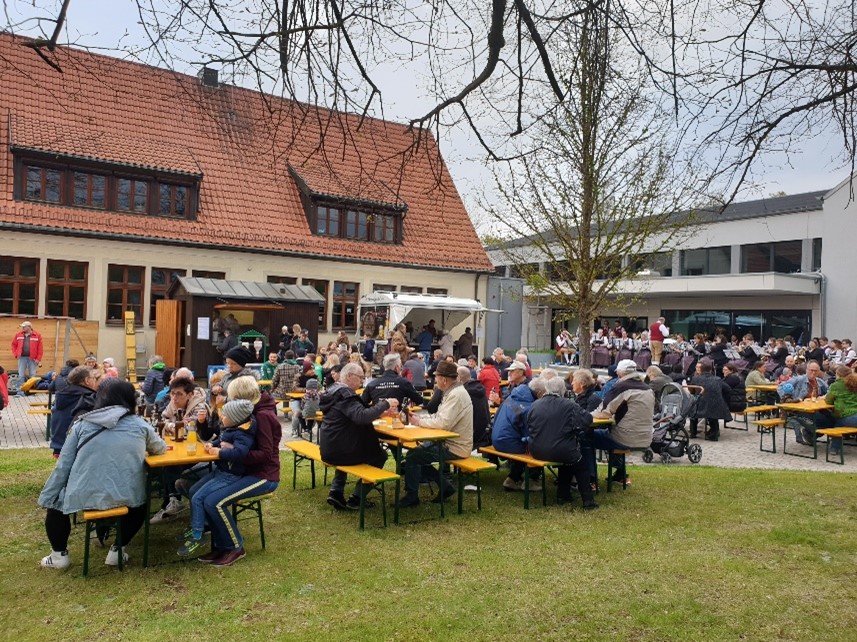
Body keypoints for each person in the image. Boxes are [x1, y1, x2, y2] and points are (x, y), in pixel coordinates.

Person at [37, 379, 167, 570]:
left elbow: (63, 465)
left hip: (82, 493)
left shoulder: (82, 425)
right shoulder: (140, 425)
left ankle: (59, 556)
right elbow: (160, 448)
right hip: (127, 495)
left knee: (56, 506)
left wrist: (48, 496)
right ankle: (117, 551)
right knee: (141, 505)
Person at [193, 376, 280, 566]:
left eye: (231, 397)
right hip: (244, 471)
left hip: (263, 475)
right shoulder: (249, 413)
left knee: (215, 502)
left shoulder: (263, 416)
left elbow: (265, 455)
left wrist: (228, 453)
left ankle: (234, 547)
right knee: (199, 493)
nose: (228, 400)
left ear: (241, 398)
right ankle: (220, 546)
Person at [178, 399, 257, 556]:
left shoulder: (243, 434)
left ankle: (197, 535)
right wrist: (211, 444)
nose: (222, 417)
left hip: (230, 475)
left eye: (225, 415)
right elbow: (221, 440)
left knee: (198, 497)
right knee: (194, 490)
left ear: (235, 418)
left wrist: (220, 453)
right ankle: (199, 525)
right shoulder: (231, 429)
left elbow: (240, 453)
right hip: (221, 471)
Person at [320, 362, 397, 510]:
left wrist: (379, 412)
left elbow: (356, 411)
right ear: (349, 376)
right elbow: (361, 416)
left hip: (329, 448)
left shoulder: (334, 390)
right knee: (379, 455)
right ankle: (357, 498)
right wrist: (385, 404)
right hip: (340, 452)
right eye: (361, 378)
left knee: (348, 447)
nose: (362, 381)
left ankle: (336, 491)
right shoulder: (346, 394)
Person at [401, 361, 473, 507]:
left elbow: (442, 423)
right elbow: (439, 418)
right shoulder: (453, 392)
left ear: (444, 380)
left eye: (436, 377)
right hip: (448, 442)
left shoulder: (456, 395)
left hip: (456, 446)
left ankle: (412, 497)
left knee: (413, 457)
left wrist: (418, 422)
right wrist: (419, 419)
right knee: (416, 454)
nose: (434, 381)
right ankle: (445, 486)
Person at [528, 377, 599, 509]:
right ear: (563, 390)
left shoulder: (535, 404)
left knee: (568, 460)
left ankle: (563, 495)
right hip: (561, 450)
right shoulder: (569, 405)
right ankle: (588, 501)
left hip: (536, 450)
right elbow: (587, 419)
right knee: (580, 465)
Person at [149, 377, 210, 524]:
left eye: (179, 394)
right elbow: (158, 420)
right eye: (172, 394)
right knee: (162, 462)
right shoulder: (173, 404)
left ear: (189, 395)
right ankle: (172, 500)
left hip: (201, 451)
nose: (174, 398)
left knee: (169, 465)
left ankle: (173, 501)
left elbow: (188, 428)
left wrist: (171, 425)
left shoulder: (200, 406)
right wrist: (174, 425)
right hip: (182, 447)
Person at [590, 360, 655, 485]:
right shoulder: (648, 389)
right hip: (646, 438)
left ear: (619, 374)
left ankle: (590, 479)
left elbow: (603, 412)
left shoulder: (621, 387)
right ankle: (621, 475)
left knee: (586, 437)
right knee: (614, 432)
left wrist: (586, 415)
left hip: (625, 438)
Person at [491, 371, 539, 492]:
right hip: (508, 443)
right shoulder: (528, 406)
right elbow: (529, 432)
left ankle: (513, 478)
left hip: (497, 440)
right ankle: (531, 480)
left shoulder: (509, 398)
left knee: (524, 444)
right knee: (537, 446)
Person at [49, 365, 100, 457]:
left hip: (58, 445)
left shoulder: (63, 394)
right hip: (76, 446)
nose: (96, 381)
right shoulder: (88, 397)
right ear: (87, 380)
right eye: (94, 378)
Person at [778, 360, 831, 445]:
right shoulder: (799, 379)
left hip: (816, 408)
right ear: (807, 370)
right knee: (821, 420)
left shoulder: (819, 381)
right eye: (811, 370)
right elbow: (780, 387)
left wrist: (823, 397)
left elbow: (830, 391)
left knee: (832, 418)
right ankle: (809, 433)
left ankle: (810, 434)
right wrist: (788, 400)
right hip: (801, 410)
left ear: (819, 371)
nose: (813, 372)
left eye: (816, 371)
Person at [688, 361, 732, 441]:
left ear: (701, 370)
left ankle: (693, 432)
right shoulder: (718, 379)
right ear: (711, 370)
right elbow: (728, 389)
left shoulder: (696, 379)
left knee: (693, 410)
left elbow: (691, 390)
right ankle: (714, 433)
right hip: (716, 405)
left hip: (700, 404)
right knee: (713, 413)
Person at [824, 365, 857, 455]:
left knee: (838, 423)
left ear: (838, 374)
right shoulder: (855, 382)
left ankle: (834, 449)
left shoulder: (836, 385)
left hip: (848, 416)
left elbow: (828, 400)